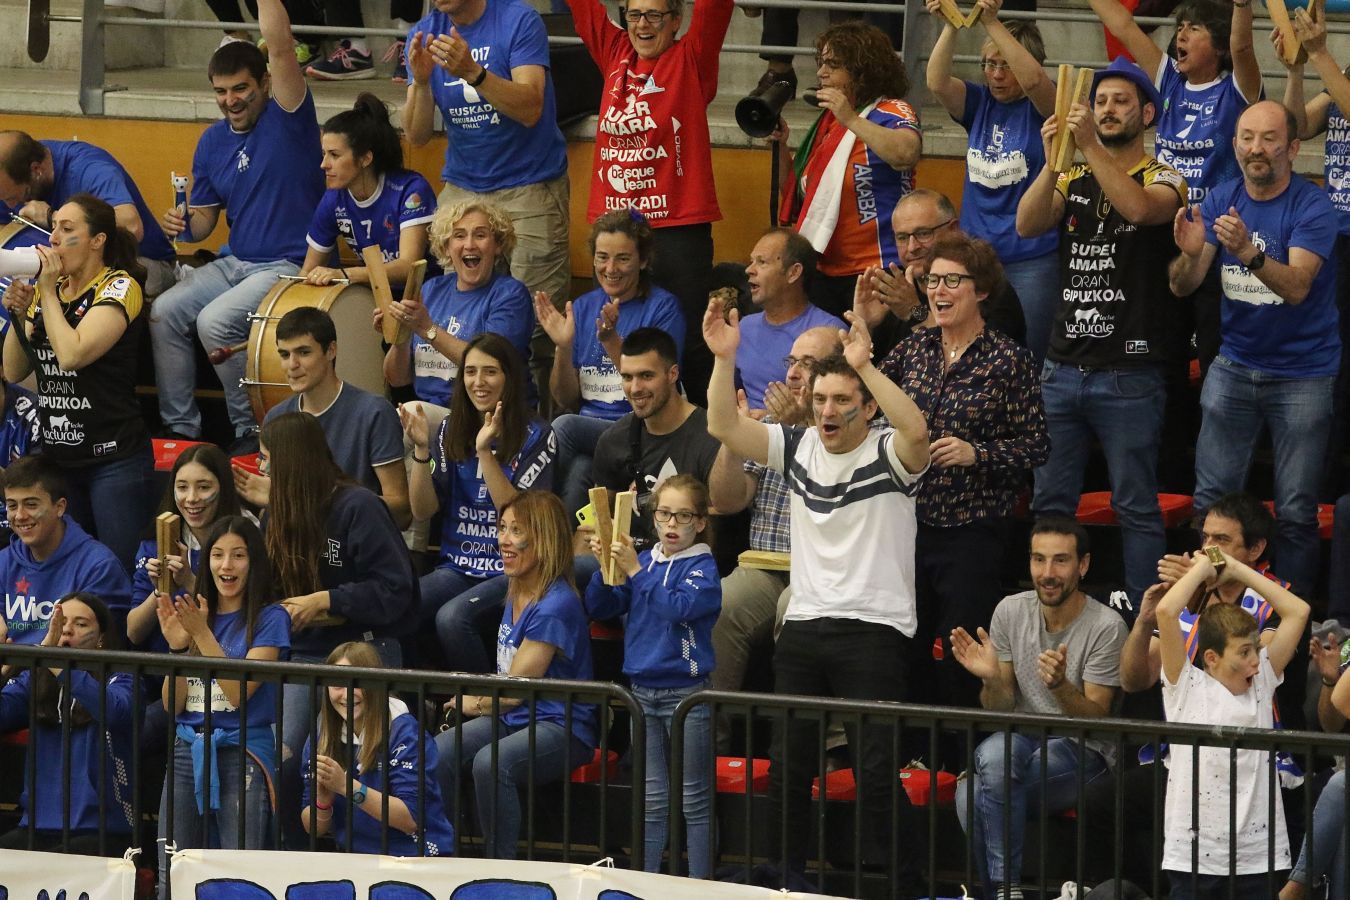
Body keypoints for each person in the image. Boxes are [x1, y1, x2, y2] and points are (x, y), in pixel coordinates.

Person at [704, 297, 930, 885]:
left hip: (875, 629)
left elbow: (917, 428)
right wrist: (724, 359)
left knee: (877, 771)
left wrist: (868, 366)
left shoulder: (890, 453)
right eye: (821, 399)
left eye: (842, 402)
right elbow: (723, 426)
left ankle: (903, 883)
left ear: (865, 407)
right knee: (788, 768)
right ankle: (786, 879)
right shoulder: (798, 446)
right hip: (803, 624)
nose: (827, 411)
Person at [1016, 57, 1188, 606]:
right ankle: (1053, 608)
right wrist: (1051, 163)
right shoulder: (1074, 174)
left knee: (1135, 504)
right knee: (1051, 503)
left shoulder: (1165, 176)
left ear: (1147, 113)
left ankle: (1143, 622)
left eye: (1120, 102)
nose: (1108, 110)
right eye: (1101, 101)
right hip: (1062, 368)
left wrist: (1086, 144)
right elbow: (1028, 223)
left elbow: (1138, 210)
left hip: (1129, 373)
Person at [1168, 100, 1338, 599]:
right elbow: (1183, 286)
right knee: (1211, 504)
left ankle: (1295, 623)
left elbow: (1298, 287)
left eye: (1267, 139)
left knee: (1297, 510)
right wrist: (1190, 253)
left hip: (1304, 374)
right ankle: (1203, 610)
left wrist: (1247, 251)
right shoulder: (1221, 197)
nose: (1255, 149)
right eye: (1246, 137)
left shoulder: (1313, 206)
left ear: (1292, 147)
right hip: (1236, 365)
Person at [880, 233, 1049, 711]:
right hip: (908, 523)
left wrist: (978, 454)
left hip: (973, 527)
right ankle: (912, 753)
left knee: (960, 649)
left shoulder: (1008, 359)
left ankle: (961, 757)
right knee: (904, 642)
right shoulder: (914, 350)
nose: (939, 290)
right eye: (932, 280)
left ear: (981, 290)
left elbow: (1037, 445)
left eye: (953, 280)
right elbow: (870, 402)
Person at [151, 0, 324, 453]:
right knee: (164, 312)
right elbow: (205, 220)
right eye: (222, 91)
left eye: (241, 88)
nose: (231, 100)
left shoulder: (289, 117)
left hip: (286, 265)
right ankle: (180, 432)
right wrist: (186, 222)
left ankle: (249, 431)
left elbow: (283, 47)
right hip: (235, 263)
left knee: (214, 323)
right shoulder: (211, 140)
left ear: (266, 83)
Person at [260, 411, 418, 849]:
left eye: (268, 459)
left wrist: (325, 599)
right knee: (279, 756)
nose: (262, 468)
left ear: (292, 462)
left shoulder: (359, 506)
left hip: (362, 651)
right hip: (299, 653)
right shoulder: (277, 513)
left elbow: (396, 590)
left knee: (319, 759)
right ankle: (285, 859)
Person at [950, 518, 1129, 900]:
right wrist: (991, 680)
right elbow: (999, 709)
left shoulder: (1107, 626)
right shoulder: (1010, 611)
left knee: (972, 796)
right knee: (995, 753)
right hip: (1021, 740)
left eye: (1061, 561)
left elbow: (1097, 718)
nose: (1047, 573)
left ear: (1083, 565)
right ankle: (1008, 892)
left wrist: (1061, 687)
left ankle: (998, 891)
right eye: (1038, 560)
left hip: (1085, 749)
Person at [566, 0, 734, 401]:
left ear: (677, 21)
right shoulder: (615, 52)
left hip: (677, 227)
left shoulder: (691, 58)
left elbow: (716, 8)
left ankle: (693, 436)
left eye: (655, 15)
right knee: (616, 328)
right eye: (635, 15)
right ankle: (616, 421)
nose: (642, 24)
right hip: (615, 232)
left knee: (687, 341)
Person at [1089, 0, 1260, 372]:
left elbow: (1243, 47)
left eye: (1194, 28)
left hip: (1217, 246)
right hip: (1165, 238)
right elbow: (1122, 25)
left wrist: (1243, 5)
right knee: (1162, 359)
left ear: (1218, 45)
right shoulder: (1168, 82)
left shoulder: (1235, 90)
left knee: (1213, 360)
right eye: (1180, 26)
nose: (1181, 33)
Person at [402, 0, 571, 360]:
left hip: (530, 184)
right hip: (464, 187)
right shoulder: (423, 33)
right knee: (462, 313)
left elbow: (530, 108)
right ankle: (460, 411)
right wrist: (420, 81)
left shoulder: (517, 20)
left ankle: (535, 415)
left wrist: (473, 72)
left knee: (538, 326)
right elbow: (416, 136)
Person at [435, 491, 597, 860]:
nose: (503, 540)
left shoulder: (556, 605)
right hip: (517, 718)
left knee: (491, 762)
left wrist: (471, 703)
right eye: (502, 528)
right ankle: (441, 854)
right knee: (439, 752)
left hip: (562, 725)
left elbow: (513, 692)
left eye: (516, 531)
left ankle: (501, 866)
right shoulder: (517, 588)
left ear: (544, 539)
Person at [1, 193, 155, 572]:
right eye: (53, 228)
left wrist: (48, 293)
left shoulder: (119, 287)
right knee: (72, 574)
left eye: (67, 229)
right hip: (60, 459)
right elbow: (12, 369)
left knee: (117, 572)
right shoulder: (47, 292)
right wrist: (20, 314)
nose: (53, 237)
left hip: (113, 457)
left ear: (97, 240)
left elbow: (72, 355)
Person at [706, 326, 842, 730]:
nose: (795, 373)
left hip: (823, 570)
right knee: (719, 602)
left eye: (809, 363)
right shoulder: (768, 428)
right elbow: (728, 500)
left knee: (793, 609)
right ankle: (713, 738)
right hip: (764, 565)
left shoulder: (857, 428)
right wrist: (735, 436)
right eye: (792, 362)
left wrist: (805, 427)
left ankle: (802, 743)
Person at [585, 474, 720, 877]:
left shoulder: (703, 568)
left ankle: (700, 885)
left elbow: (678, 608)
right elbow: (602, 605)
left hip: (688, 694)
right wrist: (604, 568)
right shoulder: (645, 562)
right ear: (654, 517)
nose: (672, 524)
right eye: (664, 514)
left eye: (683, 515)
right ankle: (646, 881)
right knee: (653, 796)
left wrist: (634, 572)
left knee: (694, 798)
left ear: (700, 521)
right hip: (641, 691)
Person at [1156, 545, 1310, 896]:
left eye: (1255, 649)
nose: (1256, 661)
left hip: (1258, 857)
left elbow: (1298, 611)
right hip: (1193, 856)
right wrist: (1205, 566)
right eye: (1244, 652)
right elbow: (1166, 611)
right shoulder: (1186, 687)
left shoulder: (1262, 682)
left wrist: (1238, 569)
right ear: (1211, 657)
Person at [402, 333, 555, 671]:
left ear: (509, 378)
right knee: (398, 606)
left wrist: (484, 451)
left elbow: (519, 517)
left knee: (452, 618)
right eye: (470, 372)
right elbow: (423, 510)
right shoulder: (448, 429)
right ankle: (417, 705)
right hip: (457, 566)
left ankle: (480, 705)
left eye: (490, 372)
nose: (478, 382)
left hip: (511, 570)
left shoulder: (538, 434)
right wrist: (421, 451)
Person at [925, 0, 1057, 362]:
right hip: (978, 257)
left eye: (1005, 64)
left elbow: (1032, 79)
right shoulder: (980, 101)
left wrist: (992, 22)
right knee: (971, 350)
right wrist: (952, 25)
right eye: (989, 64)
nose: (996, 74)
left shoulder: (1043, 102)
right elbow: (936, 82)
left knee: (1028, 355)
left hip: (1032, 258)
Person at [155, 517, 290, 871]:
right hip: (187, 748)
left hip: (242, 750)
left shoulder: (270, 617)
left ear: (254, 562)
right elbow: (174, 705)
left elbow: (236, 692)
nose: (226, 565)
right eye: (217, 555)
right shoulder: (196, 614)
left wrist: (200, 635)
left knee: (239, 874)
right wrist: (179, 651)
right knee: (174, 870)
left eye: (238, 555)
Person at [535, 210, 686, 517]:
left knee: (563, 426)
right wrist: (563, 348)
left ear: (643, 261)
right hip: (593, 433)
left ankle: (530, 512)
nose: (610, 269)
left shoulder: (663, 307)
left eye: (623, 259)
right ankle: (560, 552)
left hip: (642, 428)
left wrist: (609, 339)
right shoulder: (582, 306)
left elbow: (652, 385)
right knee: (580, 469)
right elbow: (565, 398)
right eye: (602, 257)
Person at [775, 21, 921, 318]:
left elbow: (907, 153)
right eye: (821, 63)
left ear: (862, 70)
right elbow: (799, 193)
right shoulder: (827, 124)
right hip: (825, 269)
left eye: (833, 64)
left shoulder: (890, 111)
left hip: (878, 270)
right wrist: (780, 145)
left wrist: (851, 119)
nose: (820, 73)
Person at [239, 307, 410, 529]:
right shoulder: (277, 417)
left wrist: (303, 499)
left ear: (331, 351)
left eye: (303, 352)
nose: (292, 365)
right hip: (298, 546)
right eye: (284, 354)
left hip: (353, 545)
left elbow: (402, 512)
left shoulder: (373, 412)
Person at [0, 593, 136, 854]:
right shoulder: (34, 680)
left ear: (101, 639)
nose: (68, 630)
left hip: (103, 830)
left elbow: (116, 711)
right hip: (36, 827)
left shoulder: (123, 677)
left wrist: (57, 665)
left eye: (81, 624)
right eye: (61, 622)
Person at [1280, 0, 1350, 499]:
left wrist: (1320, 51)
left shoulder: (1340, 72)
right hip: (1334, 236)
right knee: (1332, 364)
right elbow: (1297, 126)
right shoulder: (1341, 72)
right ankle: (1319, 487)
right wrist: (1300, 65)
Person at [301, 641, 456, 855]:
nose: (346, 694)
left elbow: (411, 819)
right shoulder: (322, 736)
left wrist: (346, 787)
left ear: (376, 685)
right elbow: (314, 829)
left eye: (358, 683)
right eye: (337, 684)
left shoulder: (405, 733)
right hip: (355, 859)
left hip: (415, 857)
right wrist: (323, 803)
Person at [381, 199, 534, 415]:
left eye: (480, 235)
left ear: (497, 245)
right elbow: (397, 379)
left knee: (406, 416)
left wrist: (426, 329)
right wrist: (401, 334)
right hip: (428, 411)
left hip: (484, 415)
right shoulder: (430, 289)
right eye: (459, 235)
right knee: (374, 413)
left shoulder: (510, 295)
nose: (469, 244)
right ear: (446, 247)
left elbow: (488, 364)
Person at [853, 189, 1026, 360]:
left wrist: (914, 311)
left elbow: (979, 361)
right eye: (902, 237)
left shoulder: (982, 285)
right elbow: (862, 374)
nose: (912, 247)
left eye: (923, 234)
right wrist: (865, 325)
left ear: (953, 229)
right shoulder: (891, 290)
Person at [0, 131, 177, 296]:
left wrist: (53, 217)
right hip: (69, 264)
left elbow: (131, 226)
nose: (10, 205)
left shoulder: (90, 169)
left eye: (17, 196)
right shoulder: (10, 172)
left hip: (141, 261)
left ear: (36, 170)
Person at [301, 93, 434, 290]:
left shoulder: (410, 190)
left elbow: (408, 267)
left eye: (334, 155)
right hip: (376, 296)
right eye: (324, 154)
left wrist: (345, 274)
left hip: (423, 297)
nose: (323, 165)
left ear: (365, 159)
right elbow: (307, 271)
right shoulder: (333, 199)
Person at [0, 456, 131, 646]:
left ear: (59, 507)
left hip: (66, 674)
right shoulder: (4, 562)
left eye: (31, 504)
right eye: (12, 506)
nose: (20, 516)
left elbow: (98, 655)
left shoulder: (98, 568)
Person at [128, 444, 247, 647]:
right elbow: (133, 633)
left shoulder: (246, 539)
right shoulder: (154, 544)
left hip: (221, 663)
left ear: (224, 487)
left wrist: (188, 580)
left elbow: (241, 617)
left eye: (204, 487)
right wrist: (159, 590)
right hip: (162, 668)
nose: (191, 498)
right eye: (182, 487)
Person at [737, 229, 845, 413]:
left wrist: (778, 420)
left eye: (762, 262)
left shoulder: (831, 331)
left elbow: (843, 404)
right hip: (747, 434)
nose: (749, 270)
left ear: (793, 272)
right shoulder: (743, 327)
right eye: (751, 261)